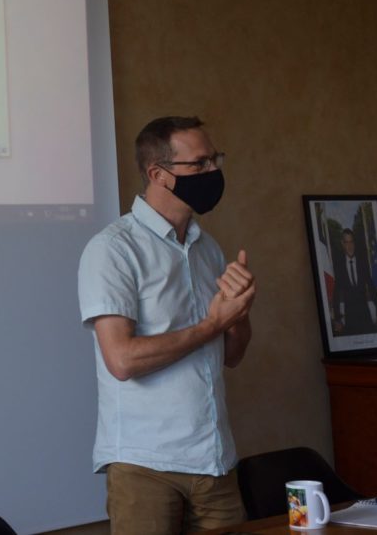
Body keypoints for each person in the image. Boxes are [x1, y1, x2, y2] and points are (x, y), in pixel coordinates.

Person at [78, 116, 256, 534]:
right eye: (200, 163)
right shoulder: (113, 250)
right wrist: (213, 324)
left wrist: (239, 314)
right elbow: (122, 360)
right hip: (146, 467)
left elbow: (232, 356)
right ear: (158, 174)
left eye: (215, 160)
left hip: (215, 460)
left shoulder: (208, 248)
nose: (213, 172)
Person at [331, 228, 377, 335]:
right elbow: (336, 293)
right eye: (346, 242)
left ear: (354, 242)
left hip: (366, 317)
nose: (349, 246)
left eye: (351, 242)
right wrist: (337, 319)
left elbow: (371, 286)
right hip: (350, 319)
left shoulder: (362, 262)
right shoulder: (339, 266)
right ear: (342, 244)